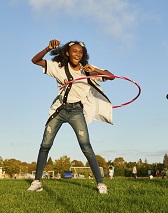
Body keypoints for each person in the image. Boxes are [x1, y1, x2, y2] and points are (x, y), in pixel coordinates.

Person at [27, 39, 114, 194]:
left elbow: (112, 76)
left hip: (76, 112)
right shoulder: (58, 68)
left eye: (80, 52)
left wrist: (94, 69)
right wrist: (48, 48)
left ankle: (101, 184)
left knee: (86, 146)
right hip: (59, 110)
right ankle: (37, 182)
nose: (78, 54)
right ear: (67, 53)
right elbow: (35, 61)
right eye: (74, 51)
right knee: (45, 145)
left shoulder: (87, 71)